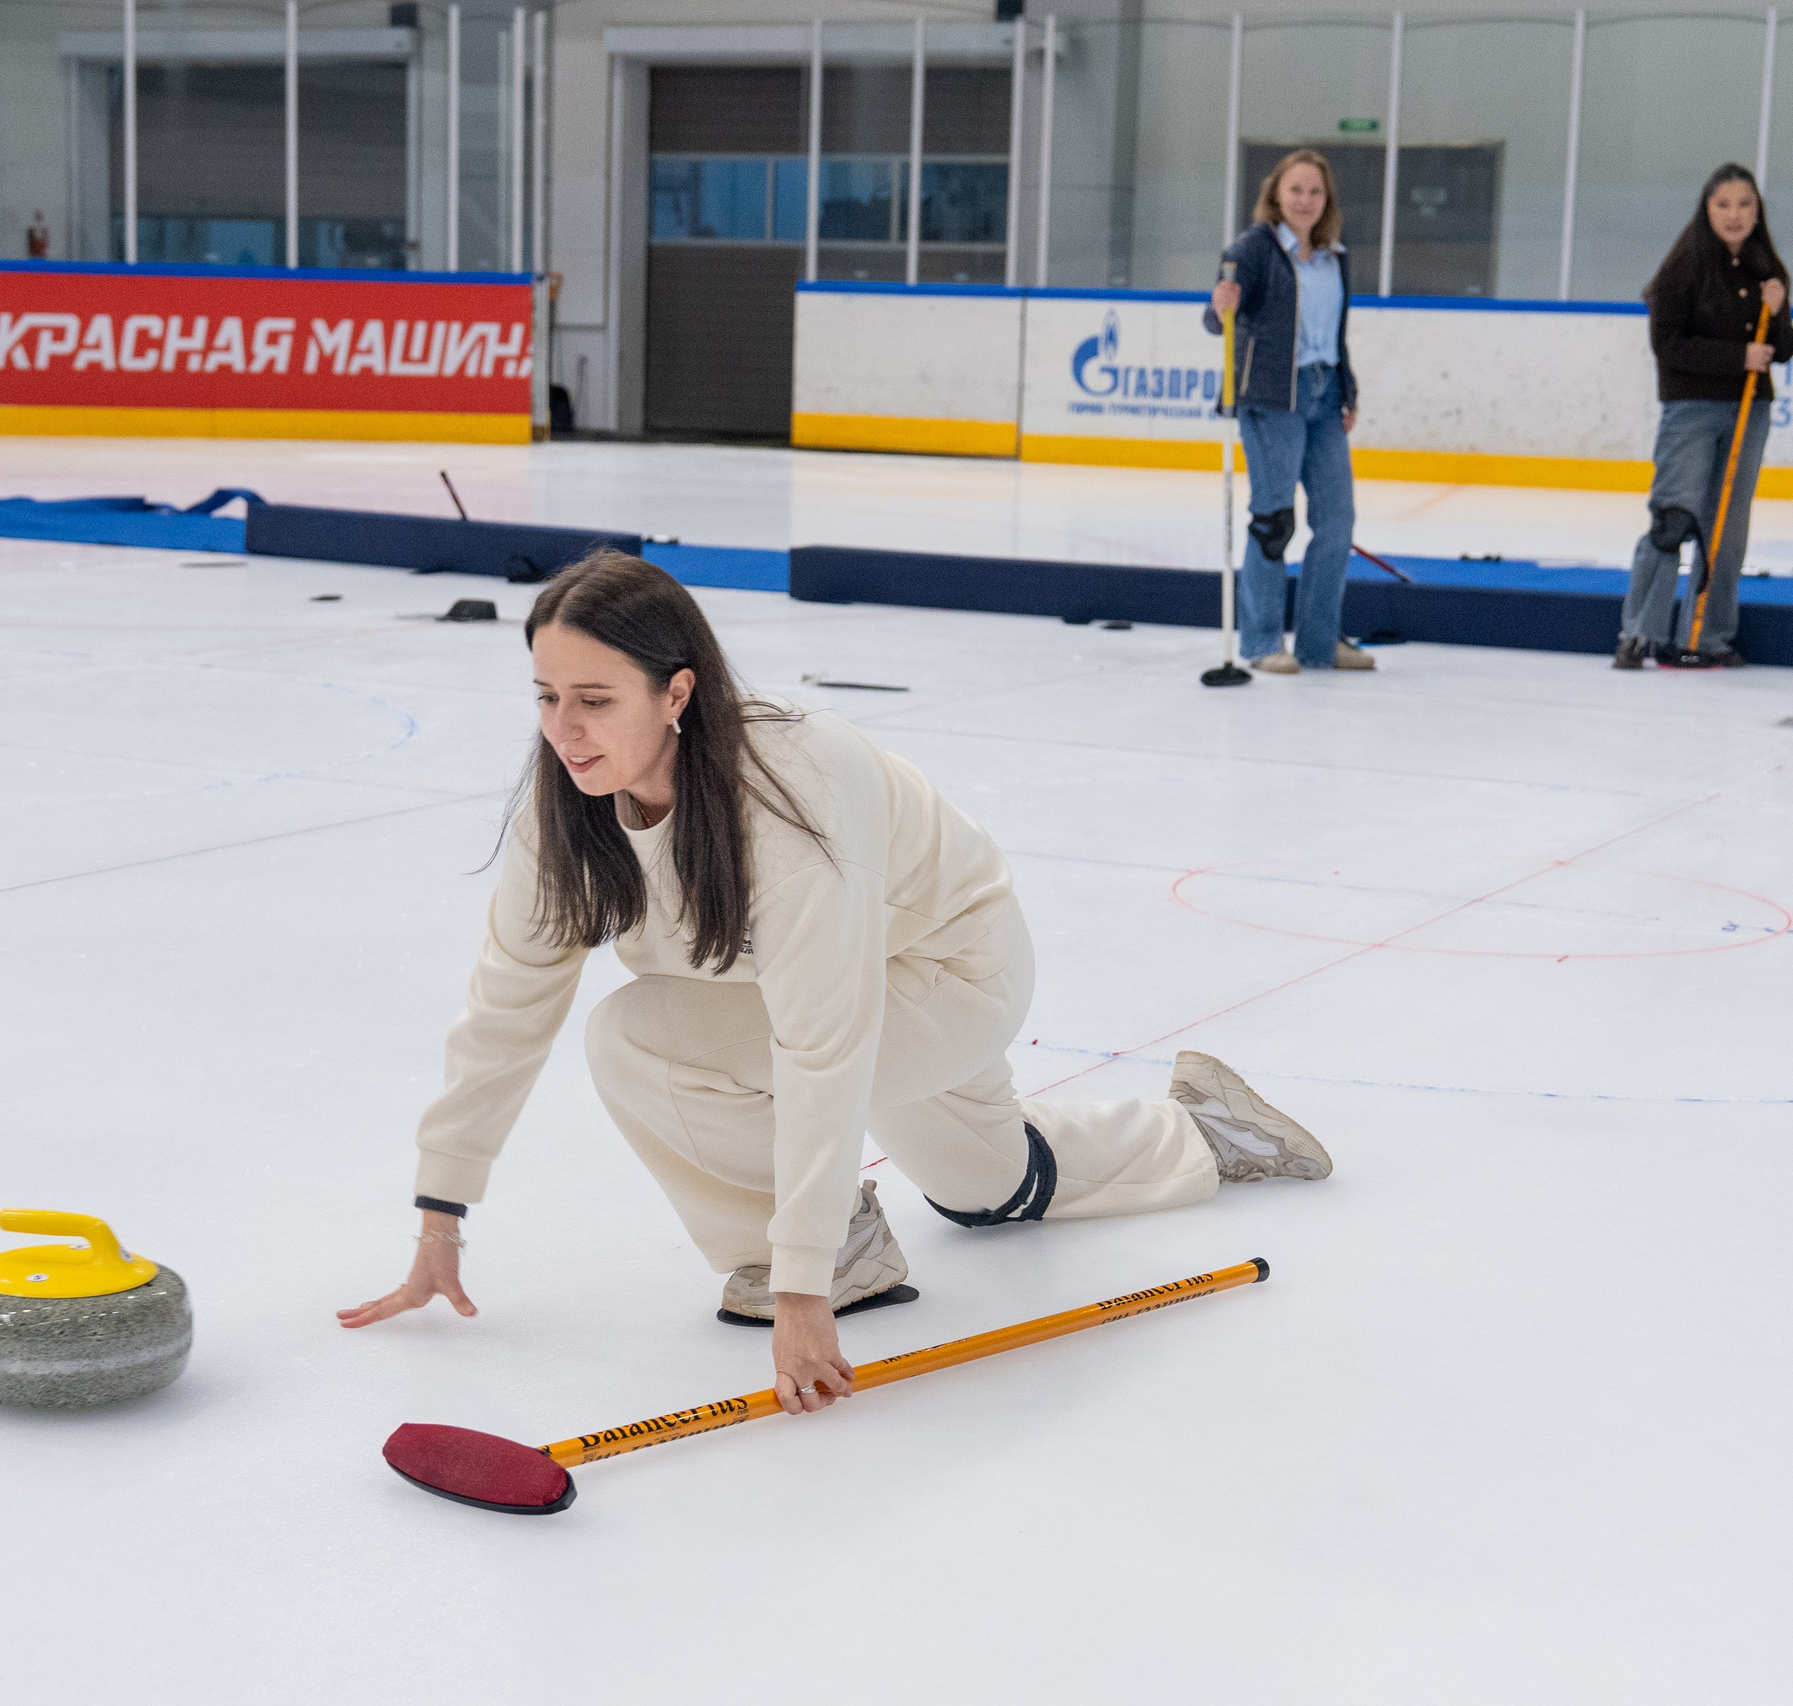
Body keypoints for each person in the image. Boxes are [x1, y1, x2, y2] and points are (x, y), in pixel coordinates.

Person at [337, 552, 1332, 1412]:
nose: (564, 728)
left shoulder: (790, 785)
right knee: (990, 1189)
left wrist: (806, 1281)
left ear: (676, 693)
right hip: (805, 993)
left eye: (594, 700)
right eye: (547, 696)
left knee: (632, 1036)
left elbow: (823, 1044)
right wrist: (441, 1211)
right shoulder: (566, 807)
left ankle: (837, 1247)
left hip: (948, 973)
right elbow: (507, 1006)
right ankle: (1207, 1129)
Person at [1615, 164, 1793, 670]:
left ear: (1757, 211)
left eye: (1744, 205)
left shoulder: (1768, 269)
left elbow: (1783, 347)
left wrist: (1777, 312)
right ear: (1707, 209)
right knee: (1674, 518)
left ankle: (1707, 635)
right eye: (1723, 205)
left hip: (1749, 411)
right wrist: (1738, 357)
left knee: (1726, 530)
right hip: (1691, 409)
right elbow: (1667, 344)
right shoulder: (1682, 268)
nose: (1734, 215)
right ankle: (1639, 633)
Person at [1204, 148, 1371, 675]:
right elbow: (1215, 321)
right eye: (1295, 189)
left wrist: (1346, 389)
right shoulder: (1252, 249)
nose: (1305, 200)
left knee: (1337, 520)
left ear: (1327, 200)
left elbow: (1335, 333)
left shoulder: (1335, 256)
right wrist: (1219, 308)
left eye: (1315, 191)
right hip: (1272, 397)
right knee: (1274, 521)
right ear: (1276, 193)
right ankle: (1261, 641)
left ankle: (1319, 642)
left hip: (1324, 392)